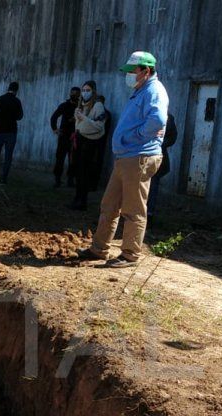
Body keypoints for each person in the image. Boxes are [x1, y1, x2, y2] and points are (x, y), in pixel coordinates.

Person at [79, 51, 169, 268]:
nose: (128, 75)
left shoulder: (154, 90)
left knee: (133, 208)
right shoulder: (140, 90)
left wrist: (135, 136)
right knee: (109, 204)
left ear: (146, 71)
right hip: (126, 157)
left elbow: (157, 119)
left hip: (139, 156)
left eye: (132, 71)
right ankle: (99, 249)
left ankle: (129, 254)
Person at [67, 80, 108, 210]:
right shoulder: (81, 105)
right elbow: (78, 125)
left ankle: (82, 201)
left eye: (87, 90)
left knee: (84, 172)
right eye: (83, 90)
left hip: (89, 143)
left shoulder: (98, 106)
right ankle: (77, 198)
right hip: (79, 140)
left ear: (93, 91)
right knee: (78, 172)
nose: (85, 93)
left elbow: (99, 125)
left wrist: (83, 118)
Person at [0, 82, 23, 184]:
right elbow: (20, 116)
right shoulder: (17, 101)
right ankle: (3, 179)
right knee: (8, 156)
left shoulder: (0, 99)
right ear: (16, 90)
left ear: (8, 88)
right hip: (11, 131)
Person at [147, 112, 177, 218]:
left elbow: (172, 138)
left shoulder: (167, 117)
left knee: (153, 184)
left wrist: (159, 144)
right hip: (142, 156)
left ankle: (149, 212)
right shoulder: (144, 114)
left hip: (156, 157)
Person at [50, 87, 80, 187]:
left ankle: (70, 180)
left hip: (75, 136)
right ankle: (57, 179)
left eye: (76, 94)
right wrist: (55, 129)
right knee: (60, 158)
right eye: (73, 93)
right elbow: (54, 117)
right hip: (64, 136)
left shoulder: (81, 107)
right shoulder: (65, 105)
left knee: (73, 160)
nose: (74, 95)